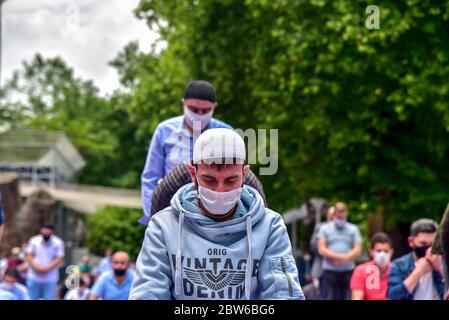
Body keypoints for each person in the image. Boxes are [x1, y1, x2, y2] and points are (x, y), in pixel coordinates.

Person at [129, 128, 305, 300]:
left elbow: (284, 293)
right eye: (209, 179)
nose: (220, 190)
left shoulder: (270, 226)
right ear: (193, 173)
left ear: (244, 173)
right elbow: (148, 291)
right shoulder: (163, 226)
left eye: (231, 180)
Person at [139, 80, 232, 224]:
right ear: (183, 104)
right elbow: (150, 178)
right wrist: (152, 217)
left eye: (205, 110)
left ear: (214, 107)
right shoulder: (164, 131)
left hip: (214, 217)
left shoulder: (226, 134)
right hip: (170, 213)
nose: (199, 114)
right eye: (194, 109)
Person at [388, 219, 445, 300]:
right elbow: (393, 296)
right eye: (423, 243)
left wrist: (440, 268)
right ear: (411, 241)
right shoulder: (399, 265)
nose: (428, 249)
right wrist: (418, 273)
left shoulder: (444, 263)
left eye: (432, 245)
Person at [317, 202, 362, 300]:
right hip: (330, 270)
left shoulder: (353, 229)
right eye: (339, 217)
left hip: (348, 270)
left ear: (346, 214)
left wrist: (345, 258)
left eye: (342, 217)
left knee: (347, 297)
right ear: (334, 215)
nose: (340, 219)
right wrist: (339, 257)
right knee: (329, 297)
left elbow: (358, 249)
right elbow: (321, 249)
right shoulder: (324, 228)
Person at [350, 232, 393, 300]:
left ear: (391, 251)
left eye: (386, 251)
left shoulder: (398, 270)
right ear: (371, 251)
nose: (382, 255)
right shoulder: (360, 271)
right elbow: (357, 297)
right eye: (379, 251)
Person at [26, 224, 65, 300]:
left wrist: (48, 267)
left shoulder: (58, 242)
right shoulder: (34, 240)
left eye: (48, 231)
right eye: (44, 231)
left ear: (52, 232)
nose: (46, 233)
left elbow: (59, 257)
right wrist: (36, 266)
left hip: (50, 278)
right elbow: (29, 255)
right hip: (34, 276)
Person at [309, 206, 335, 298]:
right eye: (331, 215)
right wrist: (326, 250)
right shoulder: (320, 227)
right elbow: (313, 246)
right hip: (322, 270)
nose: (333, 217)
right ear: (327, 216)